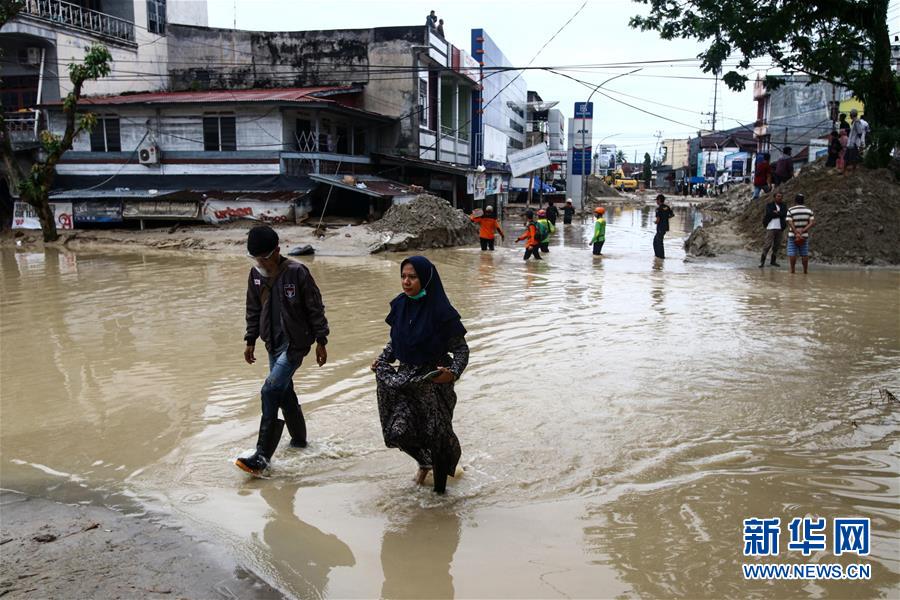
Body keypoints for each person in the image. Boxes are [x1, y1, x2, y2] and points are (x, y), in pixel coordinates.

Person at [371, 256, 468, 494]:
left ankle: (440, 495)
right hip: (405, 379)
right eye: (403, 276)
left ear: (425, 278)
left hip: (434, 381)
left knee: (436, 437)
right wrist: (383, 359)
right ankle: (425, 463)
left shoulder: (442, 312)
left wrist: (452, 373)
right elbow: (395, 342)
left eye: (412, 277)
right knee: (398, 431)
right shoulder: (399, 306)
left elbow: (461, 350)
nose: (406, 281)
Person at [238, 225, 329, 476]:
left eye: (264, 258)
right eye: (256, 258)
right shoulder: (255, 276)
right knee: (284, 393)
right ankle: (300, 441)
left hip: (295, 344)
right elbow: (253, 309)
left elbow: (315, 308)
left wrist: (321, 341)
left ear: (277, 251)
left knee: (270, 390)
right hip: (272, 343)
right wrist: (250, 340)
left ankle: (262, 456)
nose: (260, 262)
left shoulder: (297, 272)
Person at [786, 194, 815, 274]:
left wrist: (796, 232)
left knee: (792, 252)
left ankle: (792, 270)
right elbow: (811, 223)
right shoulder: (809, 211)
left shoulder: (790, 210)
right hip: (804, 236)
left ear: (795, 201)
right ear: (803, 201)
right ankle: (805, 271)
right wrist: (802, 231)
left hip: (793, 235)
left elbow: (790, 222)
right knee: (804, 253)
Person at [759, 191, 787, 268]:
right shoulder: (769, 205)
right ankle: (762, 262)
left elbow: (784, 214)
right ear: (774, 197)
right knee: (767, 245)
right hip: (771, 227)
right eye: (778, 196)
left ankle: (773, 261)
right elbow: (769, 213)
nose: (779, 198)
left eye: (781, 196)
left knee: (777, 245)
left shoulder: (784, 206)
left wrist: (776, 213)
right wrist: (778, 213)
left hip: (780, 228)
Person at [844, 108, 869, 174]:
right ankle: (844, 171)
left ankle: (853, 172)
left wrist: (861, 143)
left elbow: (859, 132)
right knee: (847, 158)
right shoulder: (854, 122)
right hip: (850, 143)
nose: (849, 115)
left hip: (854, 143)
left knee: (854, 159)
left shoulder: (857, 122)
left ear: (852, 115)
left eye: (850, 114)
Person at [653, 194, 674, 259]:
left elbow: (658, 220)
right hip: (665, 227)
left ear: (659, 200)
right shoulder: (667, 207)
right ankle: (658, 256)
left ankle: (661, 257)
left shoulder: (658, 209)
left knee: (658, 242)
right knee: (657, 241)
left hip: (660, 227)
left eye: (657, 200)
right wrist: (666, 218)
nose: (656, 201)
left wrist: (655, 222)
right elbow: (672, 215)